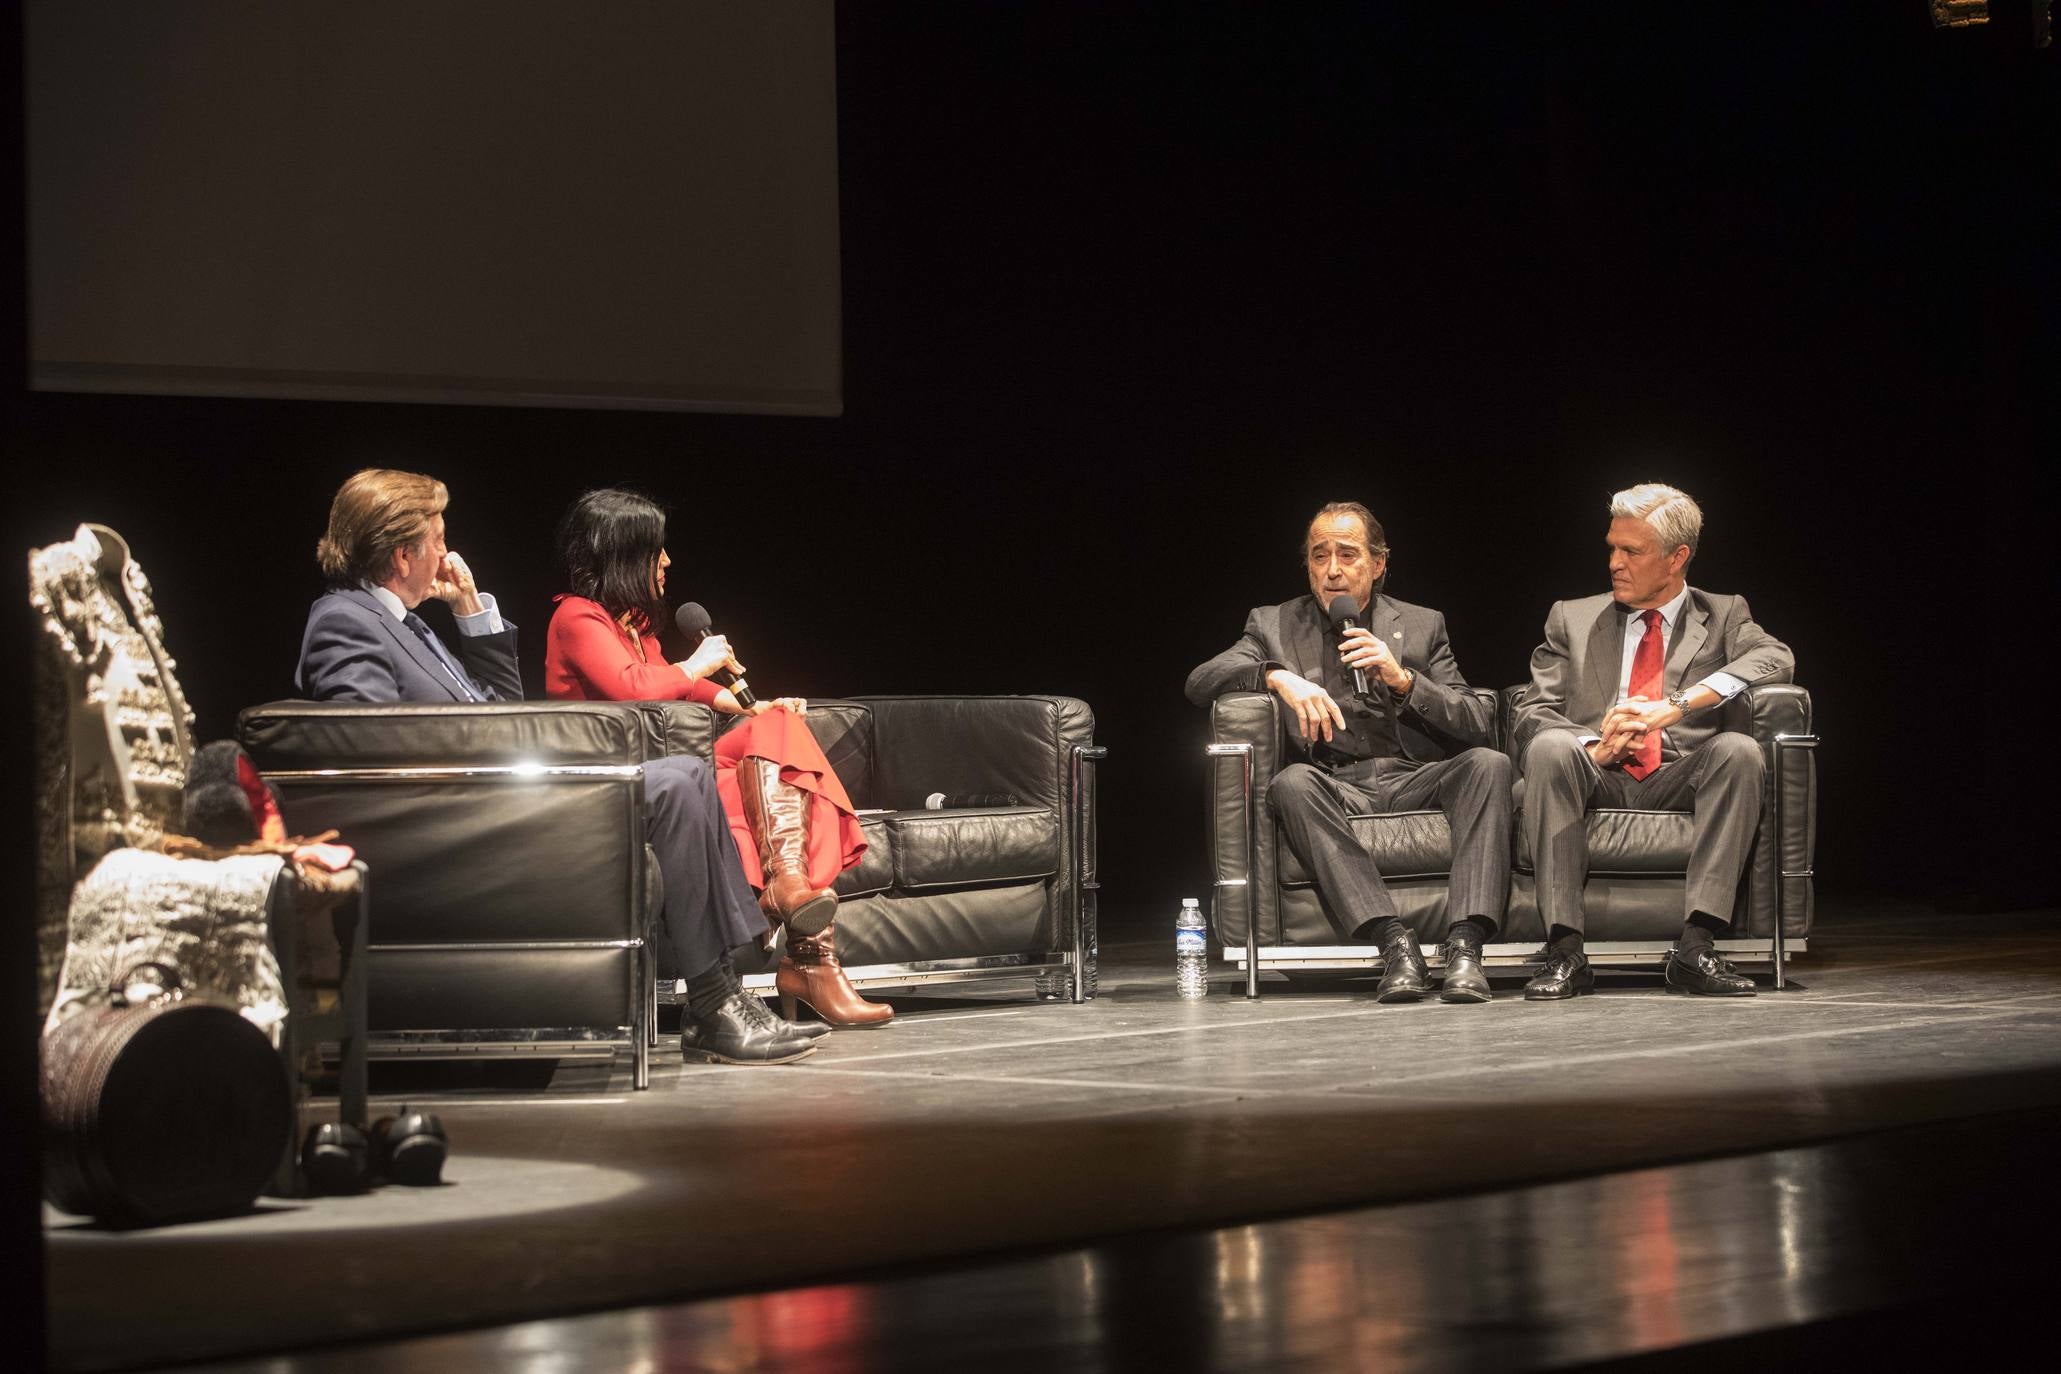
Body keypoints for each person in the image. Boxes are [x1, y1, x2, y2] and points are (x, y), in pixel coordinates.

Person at [296, 468, 821, 1064]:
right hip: (474, 814)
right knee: (678, 779)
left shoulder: (407, 624)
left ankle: (716, 999)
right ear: (402, 552)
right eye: (438, 538)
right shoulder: (345, 619)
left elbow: (499, 709)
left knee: (684, 774)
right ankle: (715, 1002)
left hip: (510, 794)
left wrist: (471, 611)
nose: (446, 552)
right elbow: (368, 745)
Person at [543, 488, 890, 1029]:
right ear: (626, 553)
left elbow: (682, 690)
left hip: (674, 767)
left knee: (778, 726)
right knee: (761, 777)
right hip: (630, 782)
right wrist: (698, 663)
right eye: (657, 550)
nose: (667, 562)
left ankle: (791, 893)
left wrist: (749, 705)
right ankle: (810, 959)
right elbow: (634, 687)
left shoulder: (633, 623)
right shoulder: (576, 618)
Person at [1186, 501, 1512, 1003]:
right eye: (1320, 556)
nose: (1333, 570)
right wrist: (1276, 675)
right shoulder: (1272, 624)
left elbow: (1477, 718)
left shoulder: (1422, 625)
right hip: (1334, 784)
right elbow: (1200, 681)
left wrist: (1404, 679)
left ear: (1378, 564)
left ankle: (1465, 946)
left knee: (1489, 764)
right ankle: (1394, 942)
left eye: (1348, 554)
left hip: (1414, 779)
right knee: (1291, 784)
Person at [1513, 482, 1794, 1000]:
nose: (1614, 563)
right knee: (1551, 747)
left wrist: (1677, 706)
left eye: (1631, 551)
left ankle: (1696, 946)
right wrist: (1593, 745)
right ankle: (1565, 952)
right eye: (1612, 548)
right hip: (1594, 772)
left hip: (1676, 773)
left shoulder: (1724, 613)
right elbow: (1530, 712)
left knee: (1740, 751)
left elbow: (1776, 659)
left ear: (1676, 558)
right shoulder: (1571, 618)